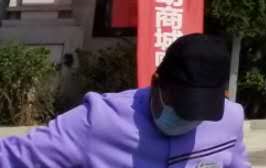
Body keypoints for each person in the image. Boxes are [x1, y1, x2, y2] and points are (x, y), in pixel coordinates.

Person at [0, 32, 248, 167]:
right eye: (182, 108)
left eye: (199, 112)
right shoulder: (99, 121)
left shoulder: (230, 120)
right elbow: (11, 157)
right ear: (156, 83)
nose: (188, 119)